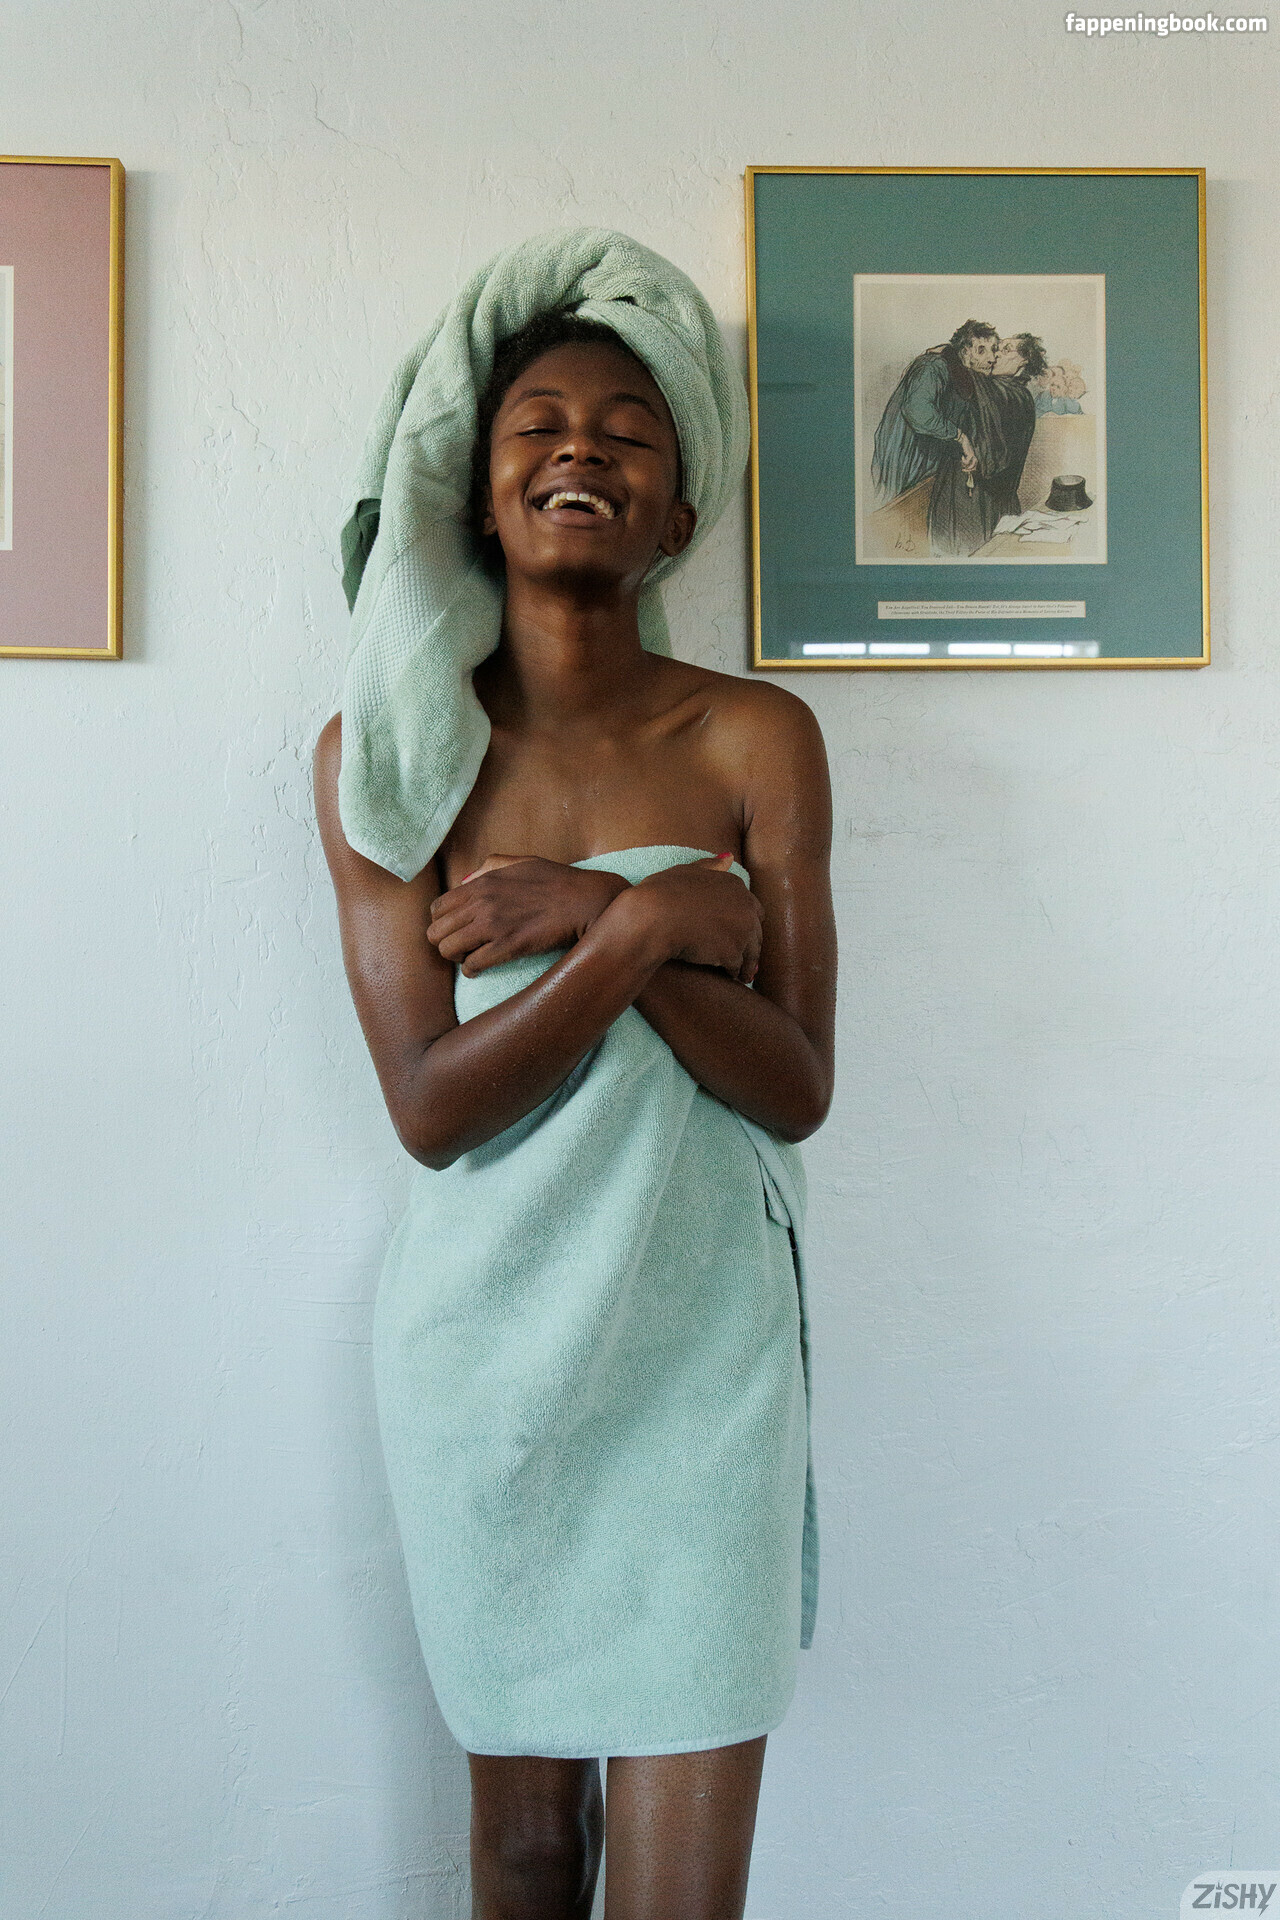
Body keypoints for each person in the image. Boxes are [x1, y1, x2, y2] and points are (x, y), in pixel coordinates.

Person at [314, 233, 836, 1920]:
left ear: (679, 513)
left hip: (704, 1362)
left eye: (629, 432)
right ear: (477, 494)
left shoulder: (756, 738)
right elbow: (432, 1110)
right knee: (529, 1850)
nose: (581, 451)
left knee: (684, 1888)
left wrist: (597, 911)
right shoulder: (389, 759)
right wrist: (650, 926)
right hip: (489, 1354)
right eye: (537, 424)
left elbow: (797, 1084)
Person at [870, 318, 997, 553]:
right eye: (982, 350)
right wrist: (960, 437)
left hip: (927, 462)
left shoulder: (960, 373)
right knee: (895, 530)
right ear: (965, 350)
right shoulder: (933, 366)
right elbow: (918, 411)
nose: (991, 358)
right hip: (906, 459)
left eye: (994, 350)